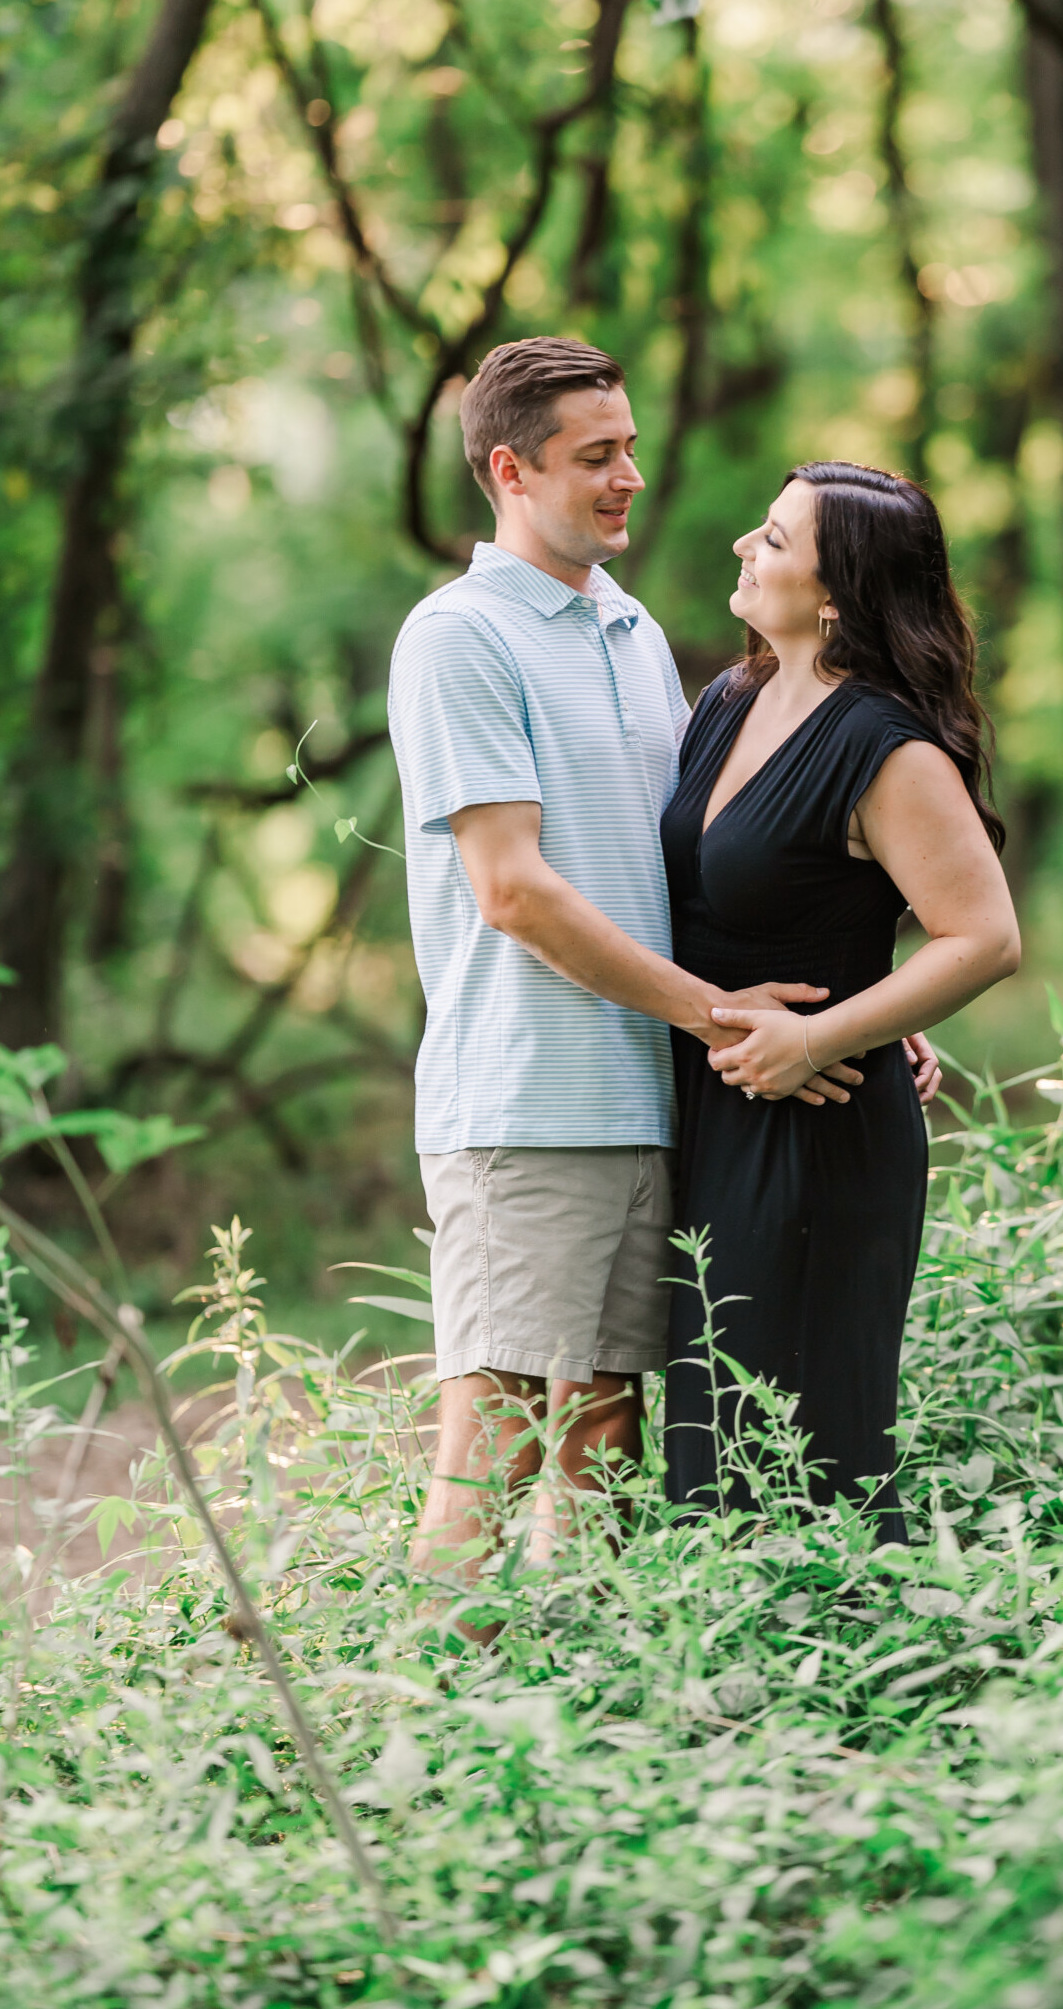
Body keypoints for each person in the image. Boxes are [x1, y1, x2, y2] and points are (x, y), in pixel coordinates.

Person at [386, 338, 933, 1603]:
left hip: (659, 1104)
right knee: (499, 1442)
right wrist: (725, 1016)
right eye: (597, 457)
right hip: (530, 1106)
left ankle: (567, 1725)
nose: (630, 475)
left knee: (607, 1440)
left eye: (630, 445)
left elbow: (685, 869)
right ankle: (421, 1738)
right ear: (510, 469)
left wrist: (854, 1009)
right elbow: (513, 889)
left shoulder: (632, 632)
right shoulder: (458, 639)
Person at [661, 462, 1021, 1542]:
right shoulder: (735, 696)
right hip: (716, 1106)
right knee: (710, 1431)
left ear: (833, 592)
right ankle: (722, 1698)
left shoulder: (883, 744)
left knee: (800, 1446)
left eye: (771, 539)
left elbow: (986, 935)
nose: (742, 547)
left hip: (816, 1123)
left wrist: (827, 1029)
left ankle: (857, 1691)